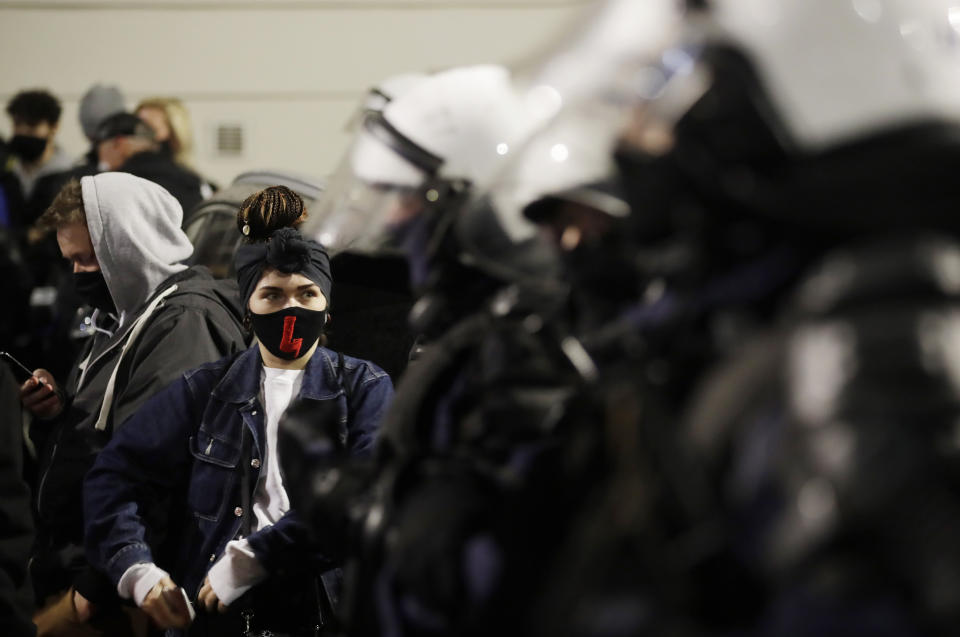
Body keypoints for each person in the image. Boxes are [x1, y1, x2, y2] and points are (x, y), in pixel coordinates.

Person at [83, 226, 394, 636]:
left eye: (306, 294)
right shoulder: (204, 389)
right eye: (272, 295)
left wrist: (257, 556)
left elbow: (365, 496)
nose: (291, 309)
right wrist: (137, 570)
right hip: (214, 614)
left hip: (321, 609)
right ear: (248, 309)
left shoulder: (363, 386)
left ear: (327, 308)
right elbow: (115, 475)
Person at [22, 173, 248, 635]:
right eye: (71, 262)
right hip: (91, 564)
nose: (78, 274)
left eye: (88, 259)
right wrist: (58, 411)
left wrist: (95, 586)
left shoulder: (183, 323)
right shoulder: (126, 314)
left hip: (123, 588)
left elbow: (158, 468)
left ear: (131, 244)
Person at [94, 112, 205, 213]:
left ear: (118, 144)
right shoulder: (186, 175)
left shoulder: (123, 185)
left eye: (100, 148)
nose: (100, 157)